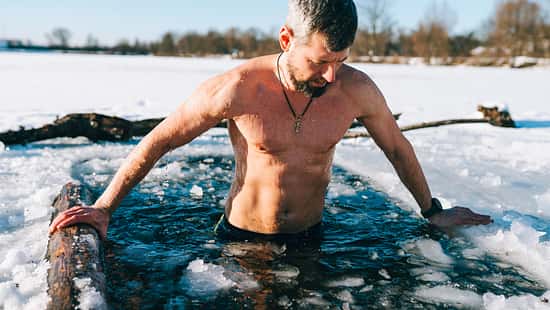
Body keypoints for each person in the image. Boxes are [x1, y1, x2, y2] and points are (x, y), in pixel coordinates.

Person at [49, 0, 491, 241]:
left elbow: (396, 147)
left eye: (341, 60)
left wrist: (432, 211)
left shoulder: (356, 89)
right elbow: (161, 140)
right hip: (240, 241)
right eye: (320, 62)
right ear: (286, 39)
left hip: (313, 239)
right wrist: (104, 208)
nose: (331, 75)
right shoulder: (239, 88)